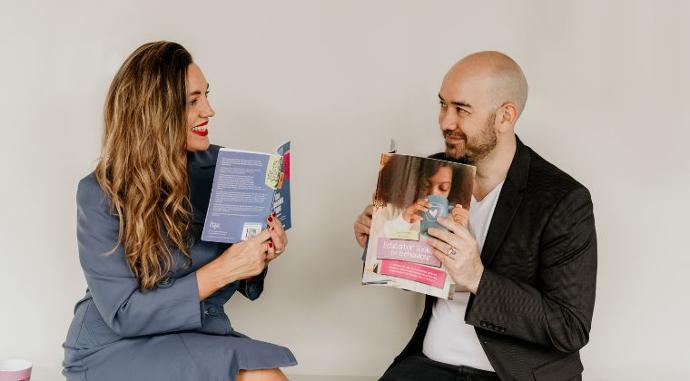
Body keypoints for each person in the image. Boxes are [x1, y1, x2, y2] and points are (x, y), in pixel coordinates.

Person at [354, 51, 597, 381]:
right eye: (442, 105)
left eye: (461, 110)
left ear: (505, 117)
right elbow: (417, 273)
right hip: (427, 366)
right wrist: (382, 241)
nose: (445, 122)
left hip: (513, 374)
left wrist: (478, 279)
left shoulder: (564, 200)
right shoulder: (435, 170)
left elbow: (570, 327)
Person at [62, 41, 296, 381]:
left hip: (195, 333)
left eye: (206, 96)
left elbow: (237, 268)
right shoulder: (99, 193)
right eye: (193, 101)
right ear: (156, 112)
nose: (209, 111)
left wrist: (258, 254)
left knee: (262, 375)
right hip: (113, 346)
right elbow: (124, 314)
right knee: (263, 376)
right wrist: (225, 269)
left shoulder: (227, 168)